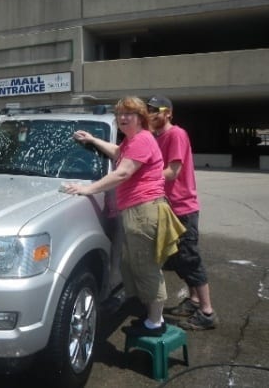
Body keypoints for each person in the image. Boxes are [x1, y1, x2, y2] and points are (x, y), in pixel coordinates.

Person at [59, 96, 185, 337]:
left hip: (144, 211)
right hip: (139, 211)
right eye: (120, 114)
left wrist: (88, 188)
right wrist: (94, 139)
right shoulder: (133, 141)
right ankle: (150, 316)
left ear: (141, 118)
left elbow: (122, 173)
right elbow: (118, 153)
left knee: (146, 266)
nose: (123, 118)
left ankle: (155, 323)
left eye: (130, 114)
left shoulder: (143, 139)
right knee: (136, 264)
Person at [147, 95, 218, 330]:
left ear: (168, 113)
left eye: (156, 110)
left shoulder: (175, 134)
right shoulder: (156, 137)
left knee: (189, 258)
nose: (152, 114)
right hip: (167, 206)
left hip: (182, 207)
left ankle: (207, 312)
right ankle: (194, 300)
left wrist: (139, 177)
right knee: (178, 259)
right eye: (150, 110)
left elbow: (173, 171)